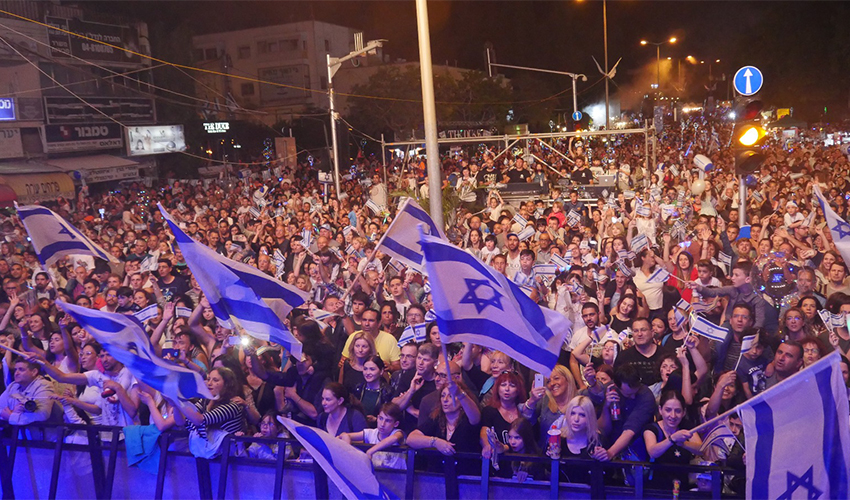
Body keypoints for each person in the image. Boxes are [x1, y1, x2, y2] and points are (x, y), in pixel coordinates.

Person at [406, 382, 481, 475]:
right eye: (443, 396)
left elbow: (475, 418)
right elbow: (411, 438)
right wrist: (435, 442)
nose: (445, 400)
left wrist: (460, 393)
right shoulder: (437, 418)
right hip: (438, 478)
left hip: (466, 478)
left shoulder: (468, 418)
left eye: (450, 396)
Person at [643, 391, 702, 489]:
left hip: (682, 487)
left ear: (684, 412)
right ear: (660, 410)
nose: (673, 415)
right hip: (656, 489)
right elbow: (653, 452)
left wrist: (684, 444)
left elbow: (701, 449)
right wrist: (672, 439)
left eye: (678, 411)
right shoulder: (651, 429)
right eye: (668, 410)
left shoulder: (687, 427)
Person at [549, 395, 609, 484]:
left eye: (582, 415)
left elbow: (609, 475)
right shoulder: (558, 439)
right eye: (572, 413)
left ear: (590, 417)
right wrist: (548, 457)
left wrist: (605, 458)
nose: (576, 419)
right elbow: (544, 471)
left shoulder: (598, 441)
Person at [480, 371, 527, 477]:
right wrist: (487, 446)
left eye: (512, 385)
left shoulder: (523, 412)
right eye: (503, 384)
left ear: (518, 390)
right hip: (497, 467)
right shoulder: (490, 411)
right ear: (497, 388)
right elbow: (484, 432)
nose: (507, 389)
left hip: (520, 470)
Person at [522, 364, 577, 447]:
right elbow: (527, 419)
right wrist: (532, 400)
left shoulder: (579, 400)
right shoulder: (544, 401)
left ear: (567, 379)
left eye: (556, 378)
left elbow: (597, 396)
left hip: (573, 456)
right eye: (548, 381)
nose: (552, 383)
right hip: (546, 456)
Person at [339, 402, 406, 470]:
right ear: (377, 418)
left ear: (396, 424)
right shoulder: (371, 433)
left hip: (397, 478)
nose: (382, 424)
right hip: (375, 477)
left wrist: (371, 451)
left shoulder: (398, 433)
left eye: (388, 421)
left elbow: (394, 438)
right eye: (381, 418)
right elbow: (342, 436)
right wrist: (346, 438)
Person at [0, 358, 60, 426]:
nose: (16, 373)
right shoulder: (13, 386)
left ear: (34, 372)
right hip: (15, 433)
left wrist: (11, 417)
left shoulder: (44, 386)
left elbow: (42, 414)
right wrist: (12, 412)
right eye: (15, 370)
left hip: (39, 434)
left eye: (21, 369)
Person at [614, 317, 663, 386]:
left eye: (643, 330)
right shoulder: (623, 357)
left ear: (652, 333)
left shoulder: (664, 355)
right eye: (636, 331)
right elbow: (617, 383)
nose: (639, 334)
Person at [351, 355, 393, 425]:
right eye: (365, 369)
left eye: (372, 369)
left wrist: (376, 420)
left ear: (381, 371)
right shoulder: (358, 388)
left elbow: (391, 417)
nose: (367, 373)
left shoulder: (387, 392)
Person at [504, 417, 546, 482]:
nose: (512, 442)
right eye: (510, 437)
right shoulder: (508, 455)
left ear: (526, 437)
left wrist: (529, 474)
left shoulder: (538, 458)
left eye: (517, 438)